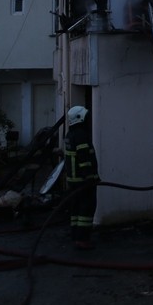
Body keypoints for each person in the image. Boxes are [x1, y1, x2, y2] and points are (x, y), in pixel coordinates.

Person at [64, 105, 100, 250]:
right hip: (83, 181)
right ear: (80, 119)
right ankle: (83, 239)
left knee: (76, 210)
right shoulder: (81, 135)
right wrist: (90, 177)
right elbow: (84, 159)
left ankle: (76, 237)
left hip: (73, 181)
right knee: (86, 209)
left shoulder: (70, 135)